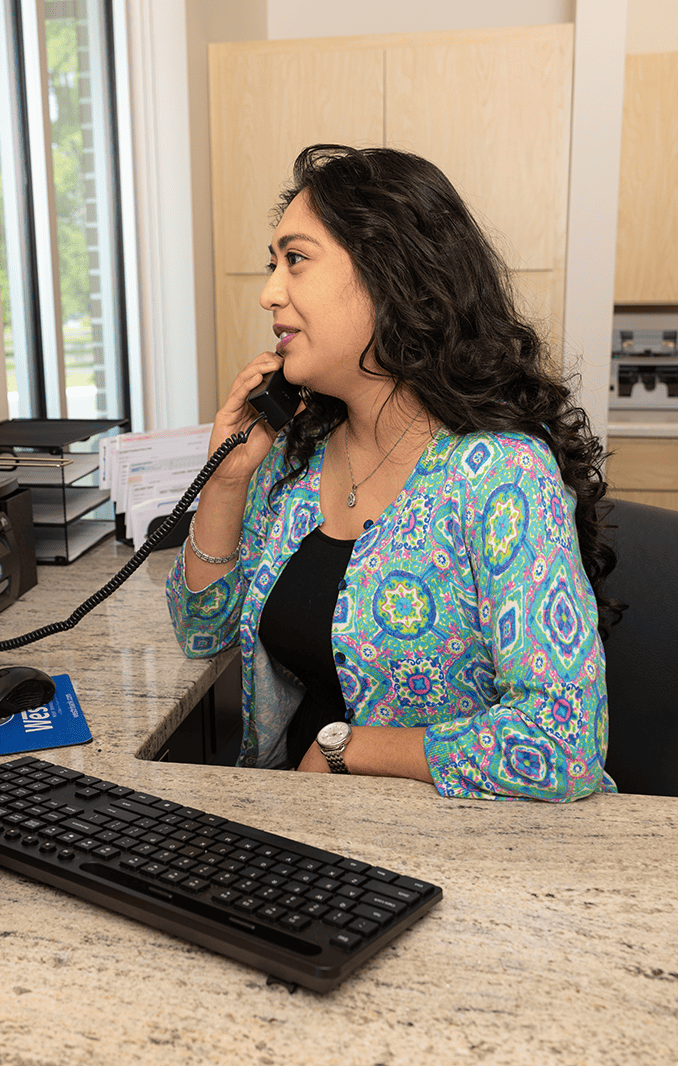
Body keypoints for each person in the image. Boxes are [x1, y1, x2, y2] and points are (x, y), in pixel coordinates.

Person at [167, 144, 615, 801]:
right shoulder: (301, 455)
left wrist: (346, 751)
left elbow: (564, 743)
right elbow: (203, 632)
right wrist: (227, 482)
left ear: (389, 274)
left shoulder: (497, 473)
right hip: (311, 832)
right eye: (272, 266)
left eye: (295, 260)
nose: (269, 293)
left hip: (454, 846)